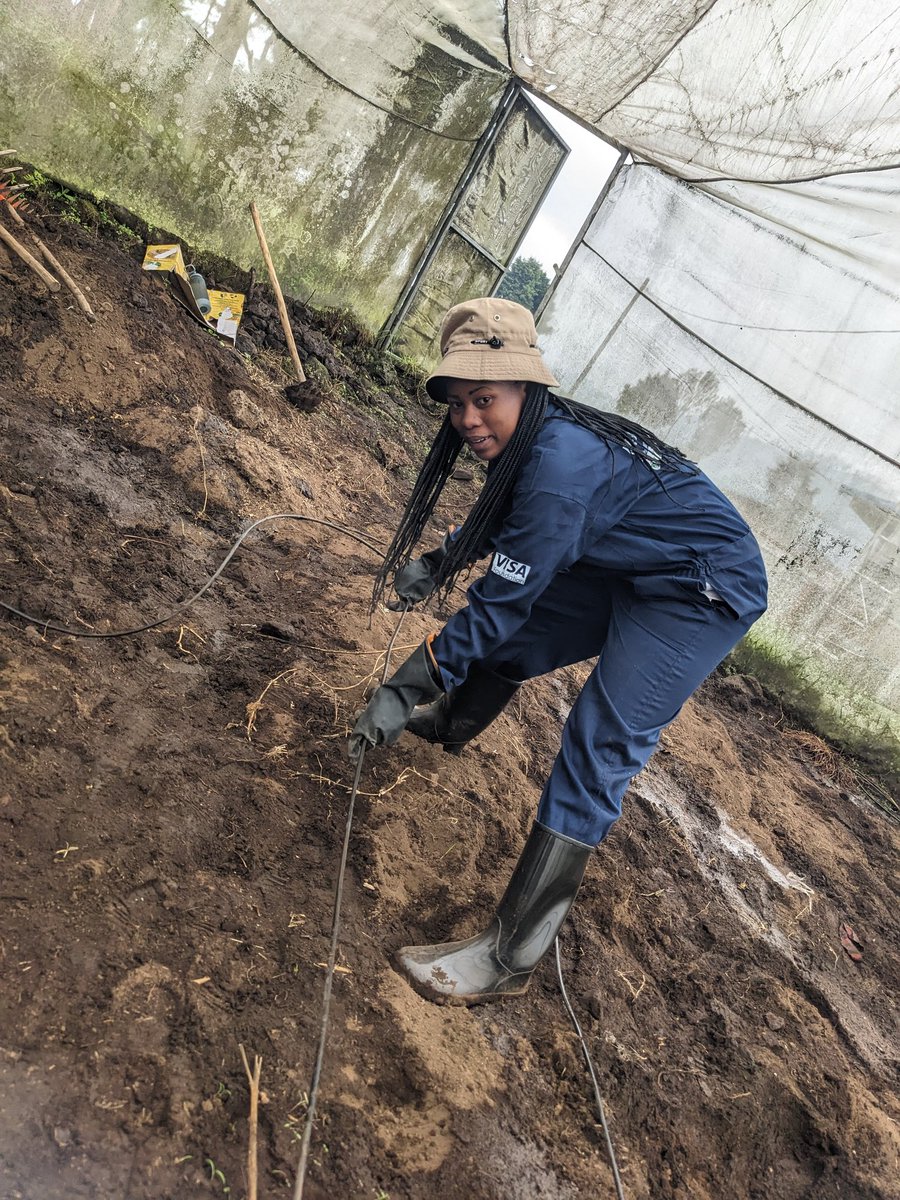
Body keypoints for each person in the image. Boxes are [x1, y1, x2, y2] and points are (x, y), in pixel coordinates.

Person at [350, 297, 767, 1006]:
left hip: (699, 588)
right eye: (457, 404)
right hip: (630, 564)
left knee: (598, 741)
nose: (469, 420)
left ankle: (511, 955)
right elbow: (506, 520)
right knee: (521, 632)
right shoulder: (534, 443)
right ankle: (457, 720)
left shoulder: (562, 469)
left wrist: (402, 686)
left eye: (485, 399)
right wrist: (441, 559)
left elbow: (500, 597)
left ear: (527, 387)